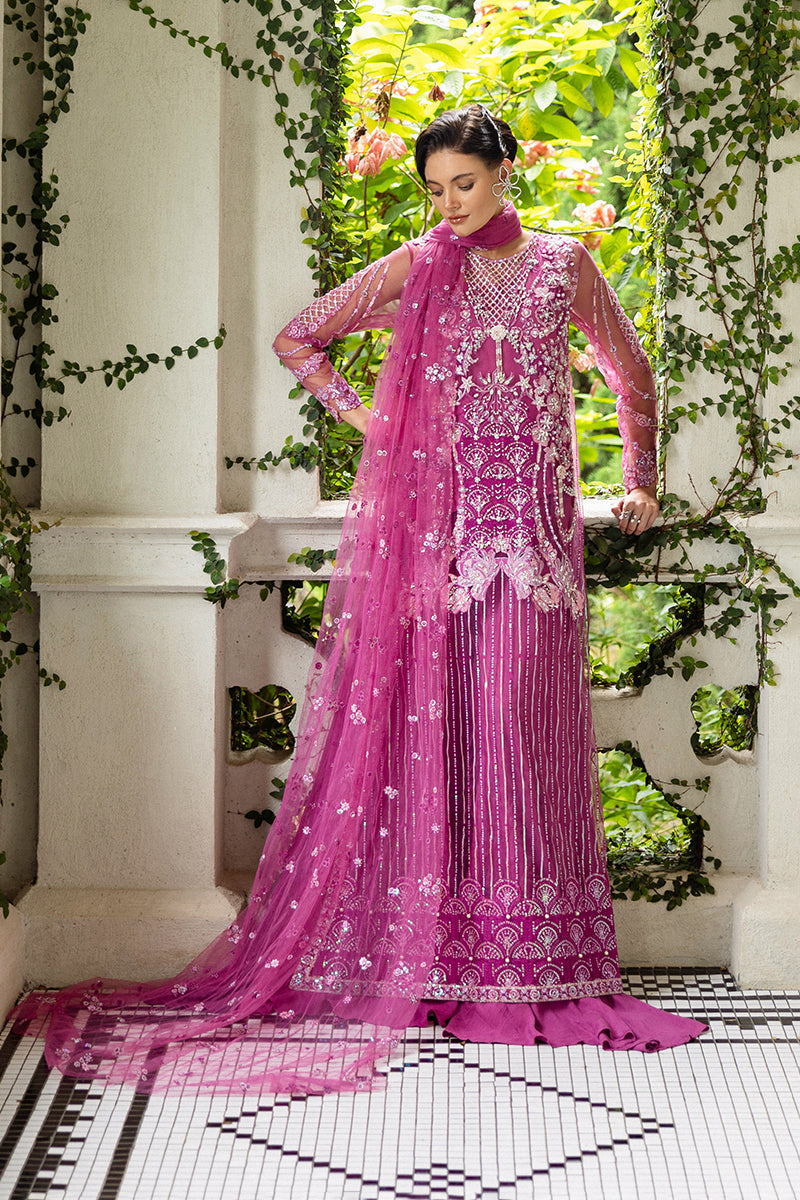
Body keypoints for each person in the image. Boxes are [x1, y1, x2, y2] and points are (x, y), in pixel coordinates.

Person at [13, 106, 705, 1094]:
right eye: (435, 188)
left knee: (524, 733)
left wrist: (637, 480)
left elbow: (628, 368)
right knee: (441, 741)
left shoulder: (563, 265)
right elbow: (301, 339)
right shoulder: (417, 266)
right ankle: (437, 954)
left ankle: (538, 964)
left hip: (538, 547)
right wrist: (381, 427)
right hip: (438, 546)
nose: (450, 203)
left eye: (465, 182)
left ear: (504, 171)